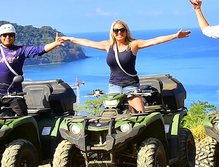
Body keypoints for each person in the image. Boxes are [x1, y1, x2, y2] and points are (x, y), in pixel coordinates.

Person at [61, 22, 191, 113]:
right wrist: (69, 38)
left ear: (126, 31)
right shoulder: (108, 46)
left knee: (139, 116)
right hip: (114, 86)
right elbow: (87, 42)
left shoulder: (133, 45)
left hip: (131, 86)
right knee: (114, 117)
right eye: (116, 30)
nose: (119, 32)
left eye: (122, 30)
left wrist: (175, 36)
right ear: (112, 32)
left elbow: (155, 40)